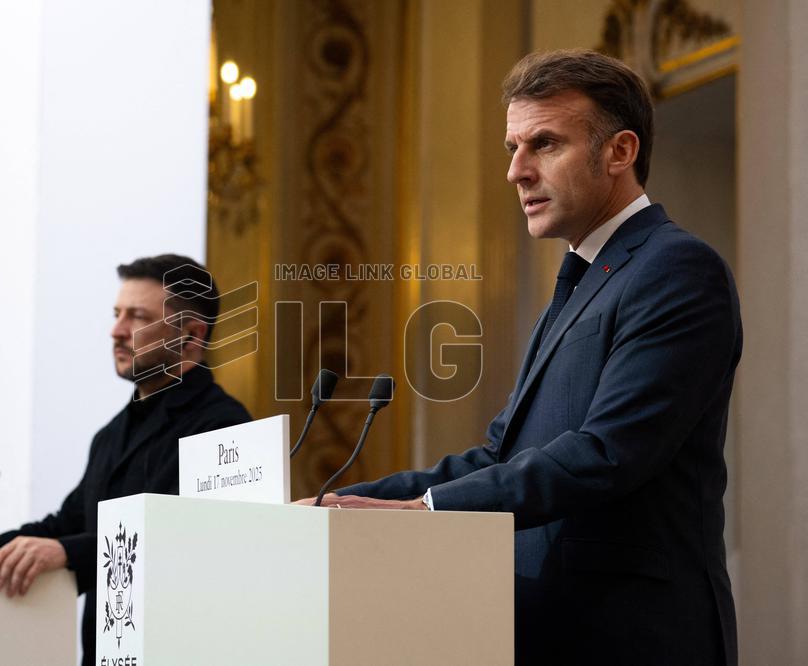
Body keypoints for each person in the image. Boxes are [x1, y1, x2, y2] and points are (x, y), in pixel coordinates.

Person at [305, 50, 741, 665]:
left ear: (619, 151)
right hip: (548, 630)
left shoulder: (675, 269)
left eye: (543, 144)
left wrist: (428, 511)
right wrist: (341, 505)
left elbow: (607, 453)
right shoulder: (582, 280)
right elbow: (500, 456)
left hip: (636, 636)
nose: (516, 171)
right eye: (512, 147)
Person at [0, 254, 252, 666]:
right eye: (116, 314)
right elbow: (67, 526)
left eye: (138, 317)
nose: (116, 331)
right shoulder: (110, 435)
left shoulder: (226, 427)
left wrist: (67, 551)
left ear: (190, 335)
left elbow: (191, 541)